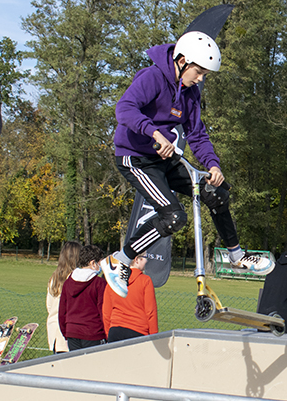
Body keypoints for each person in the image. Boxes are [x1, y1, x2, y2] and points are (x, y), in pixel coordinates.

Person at [100, 31, 274, 298]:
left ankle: (236, 256)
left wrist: (213, 165)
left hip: (165, 159)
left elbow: (197, 134)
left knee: (217, 193)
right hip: (136, 159)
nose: (201, 79)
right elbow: (124, 109)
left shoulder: (190, 93)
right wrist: (154, 133)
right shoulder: (152, 77)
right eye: (199, 72)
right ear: (182, 61)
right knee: (173, 216)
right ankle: (119, 260)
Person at [58, 244, 108, 350]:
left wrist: (66, 333)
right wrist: (106, 333)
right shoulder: (99, 283)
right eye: (100, 263)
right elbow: (103, 310)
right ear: (93, 263)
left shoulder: (68, 282)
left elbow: (62, 311)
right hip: (93, 333)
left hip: (72, 332)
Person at [103, 252, 159, 343]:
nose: (147, 261)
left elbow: (106, 312)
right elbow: (151, 311)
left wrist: (107, 333)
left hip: (115, 331)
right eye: (145, 257)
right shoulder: (145, 281)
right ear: (136, 260)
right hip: (138, 331)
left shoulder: (113, 281)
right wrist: (154, 336)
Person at [45, 240, 81, 353]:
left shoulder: (54, 278)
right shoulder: (76, 279)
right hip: (68, 332)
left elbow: (49, 306)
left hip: (54, 330)